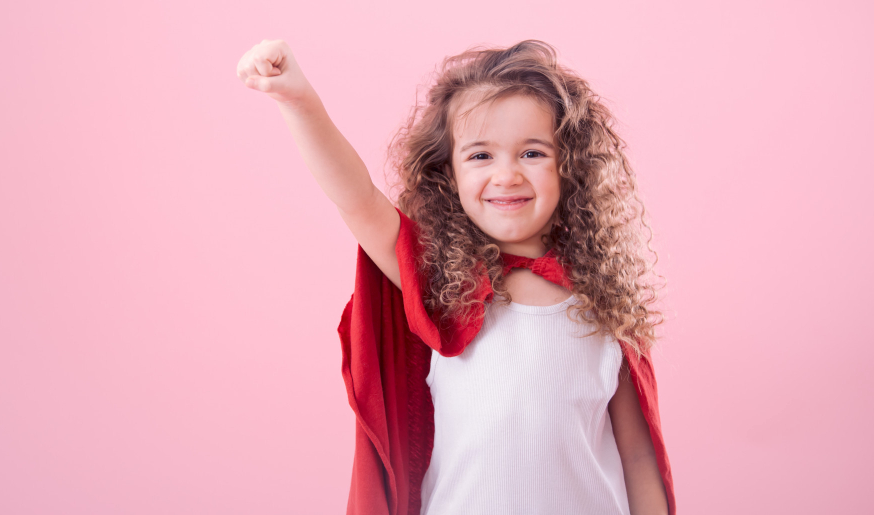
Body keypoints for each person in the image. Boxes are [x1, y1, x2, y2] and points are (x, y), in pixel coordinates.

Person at [236, 39, 674, 515]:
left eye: (532, 153)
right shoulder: (444, 286)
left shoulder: (606, 304)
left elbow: (637, 454)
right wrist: (300, 102)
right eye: (480, 156)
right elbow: (358, 198)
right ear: (448, 175)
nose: (506, 176)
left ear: (571, 167)